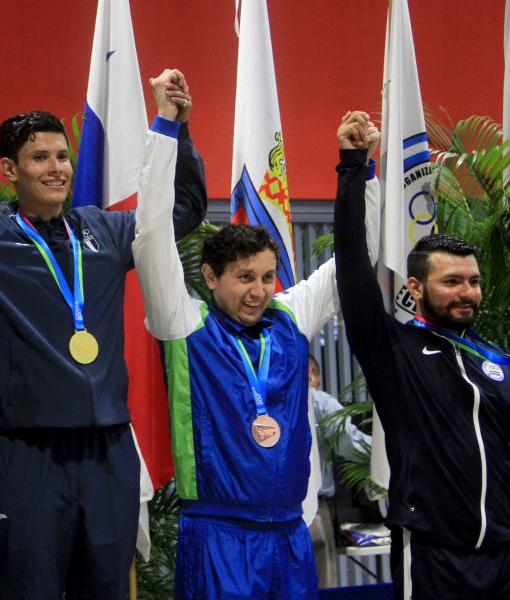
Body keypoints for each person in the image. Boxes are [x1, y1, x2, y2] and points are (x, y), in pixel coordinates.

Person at [0, 61, 206, 597]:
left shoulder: (106, 232)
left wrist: (179, 128)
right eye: (40, 157)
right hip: (29, 459)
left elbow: (180, 212)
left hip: (110, 454)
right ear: (9, 170)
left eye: (63, 156)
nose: (57, 168)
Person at [131, 110, 381, 599]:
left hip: (289, 534)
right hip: (218, 535)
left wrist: (359, 168)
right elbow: (150, 239)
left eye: (267, 277)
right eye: (245, 277)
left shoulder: (290, 317)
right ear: (210, 277)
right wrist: (164, 129)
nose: (259, 291)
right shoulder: (184, 325)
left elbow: (357, 257)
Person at [334, 146, 510, 596]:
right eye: (452, 282)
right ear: (416, 288)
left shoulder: (497, 361)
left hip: (503, 553)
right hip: (432, 553)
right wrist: (352, 166)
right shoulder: (392, 349)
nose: (468, 293)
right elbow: (352, 268)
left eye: (474, 281)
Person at [307, 355, 372, 588]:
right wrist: (389, 453)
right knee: (321, 583)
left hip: (267, 512)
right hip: (312, 511)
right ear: (312, 374)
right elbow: (350, 444)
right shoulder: (318, 401)